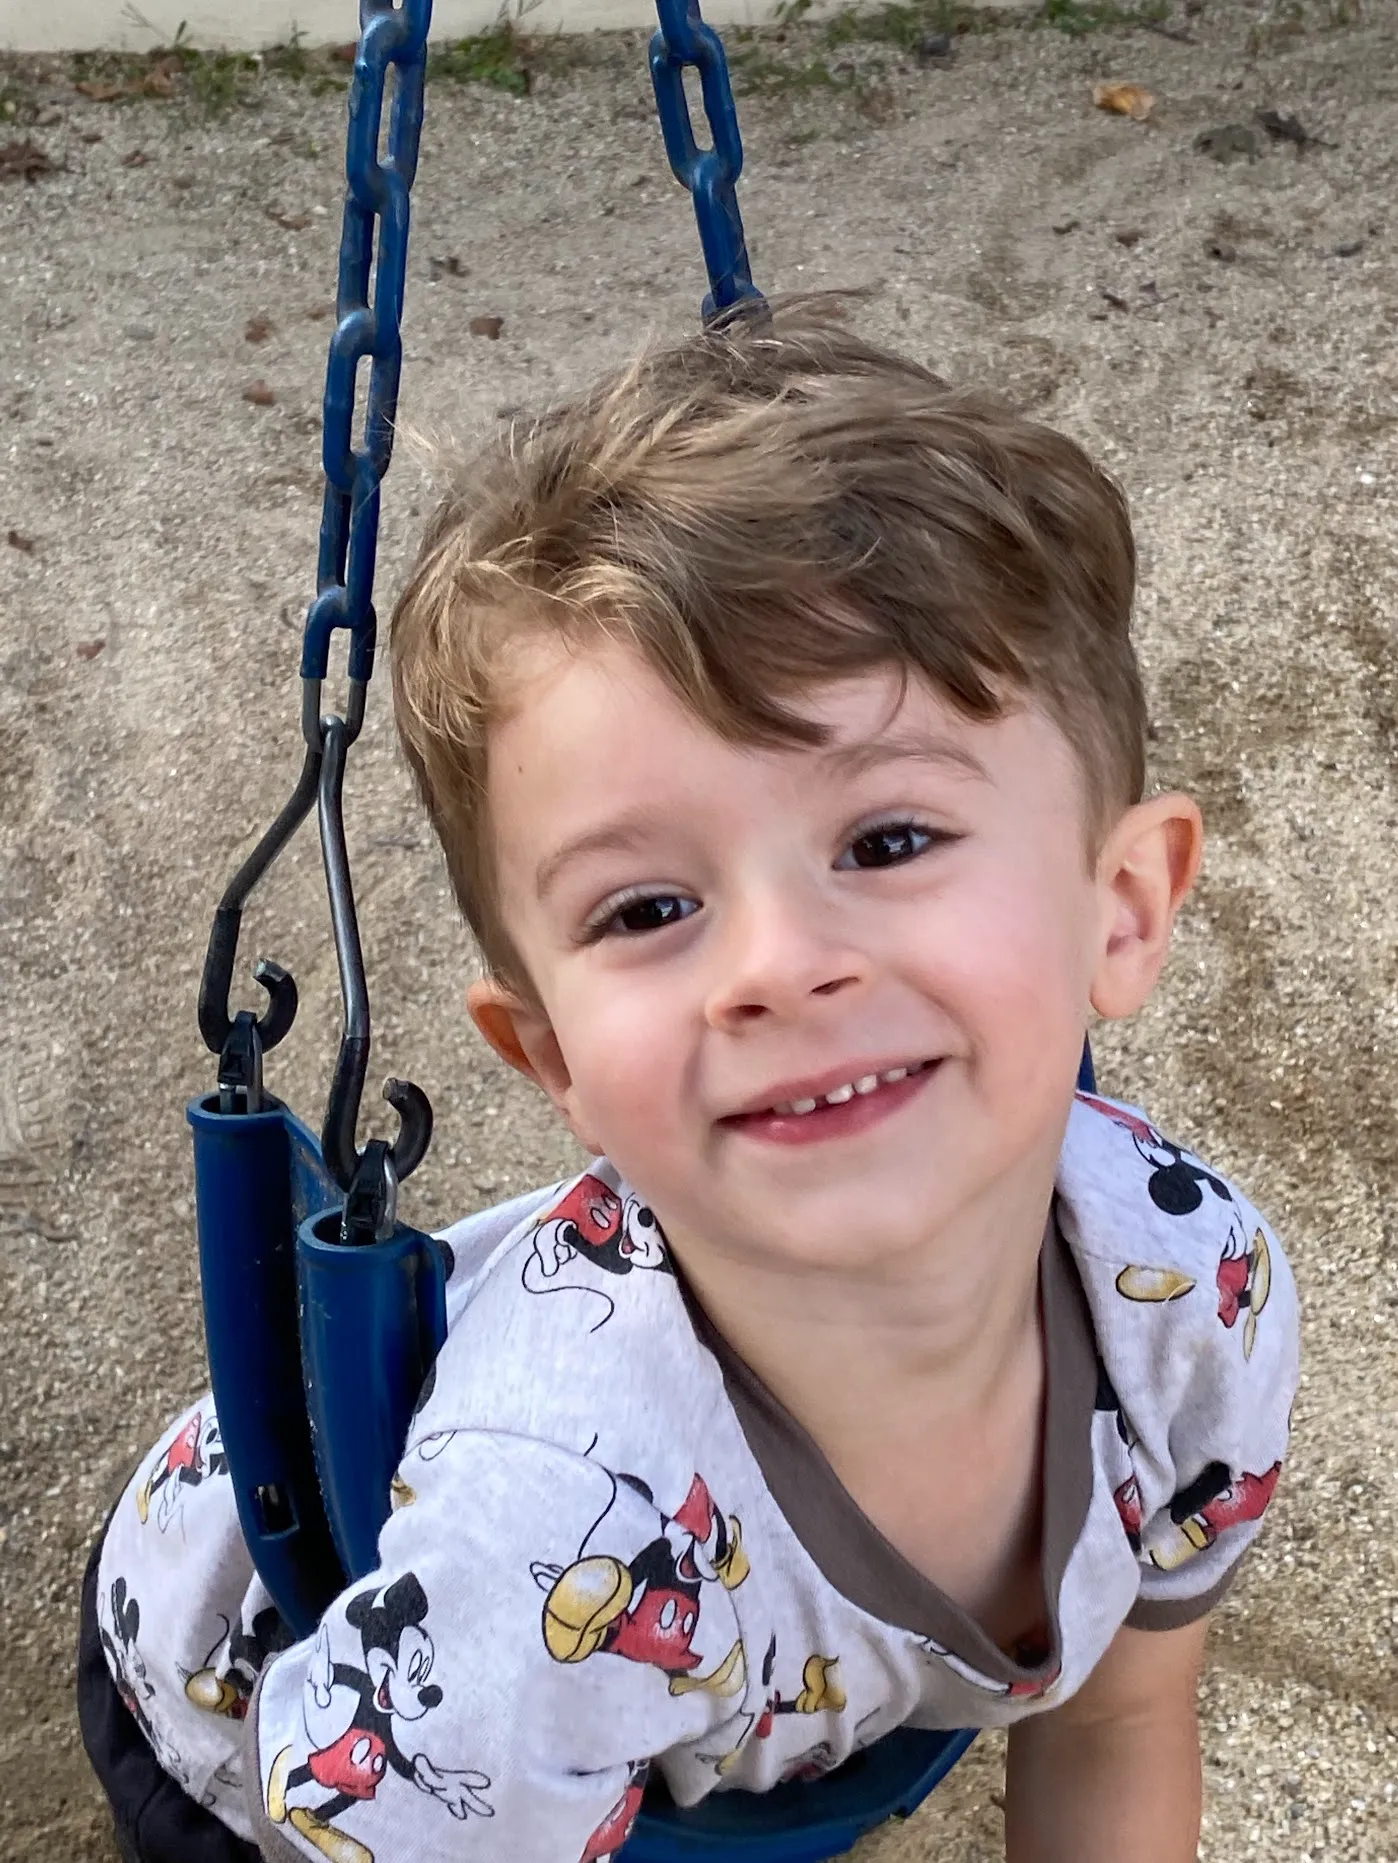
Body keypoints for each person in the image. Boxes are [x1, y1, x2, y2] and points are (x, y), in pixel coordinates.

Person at [79, 304, 1299, 1863]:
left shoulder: (1194, 1297)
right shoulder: (542, 1540)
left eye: (889, 839)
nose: (777, 965)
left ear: (1120, 907)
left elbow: (1117, 1717)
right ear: (552, 1058)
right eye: (648, 909)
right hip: (286, 1728)